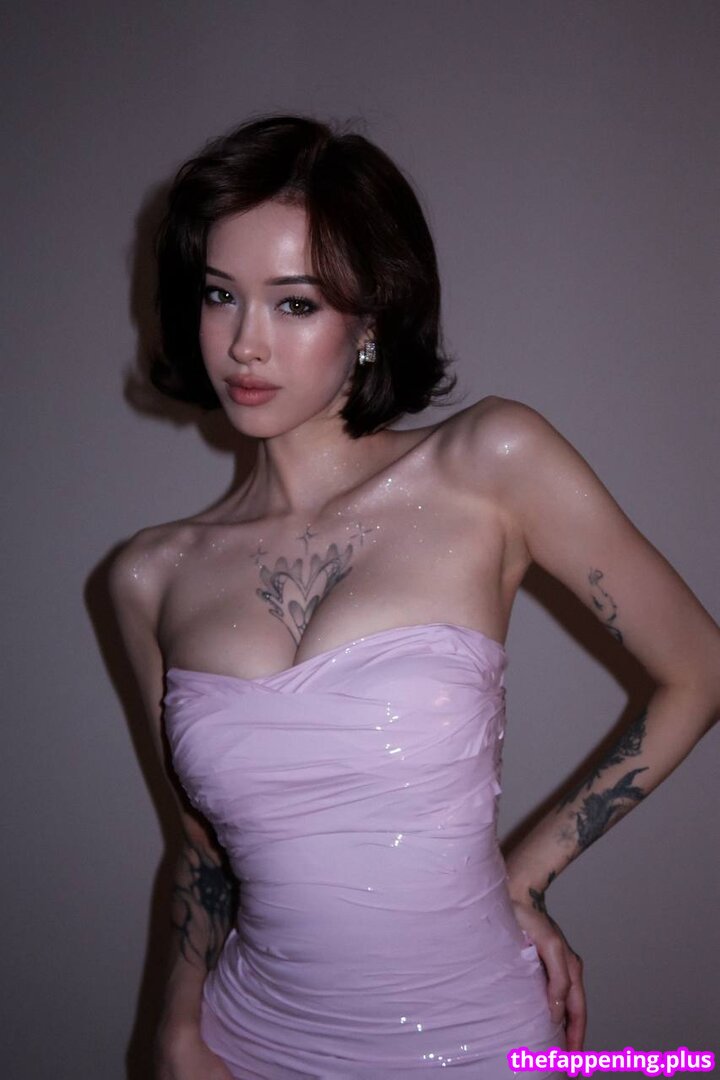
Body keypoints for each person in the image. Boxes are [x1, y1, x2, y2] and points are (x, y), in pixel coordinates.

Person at [109, 114, 720, 1079]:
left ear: (372, 318)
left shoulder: (491, 464)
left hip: (478, 1041)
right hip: (246, 1044)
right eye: (221, 295)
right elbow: (201, 850)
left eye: (296, 303)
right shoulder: (149, 575)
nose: (245, 344)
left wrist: (528, 874)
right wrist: (177, 1028)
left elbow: (699, 671)